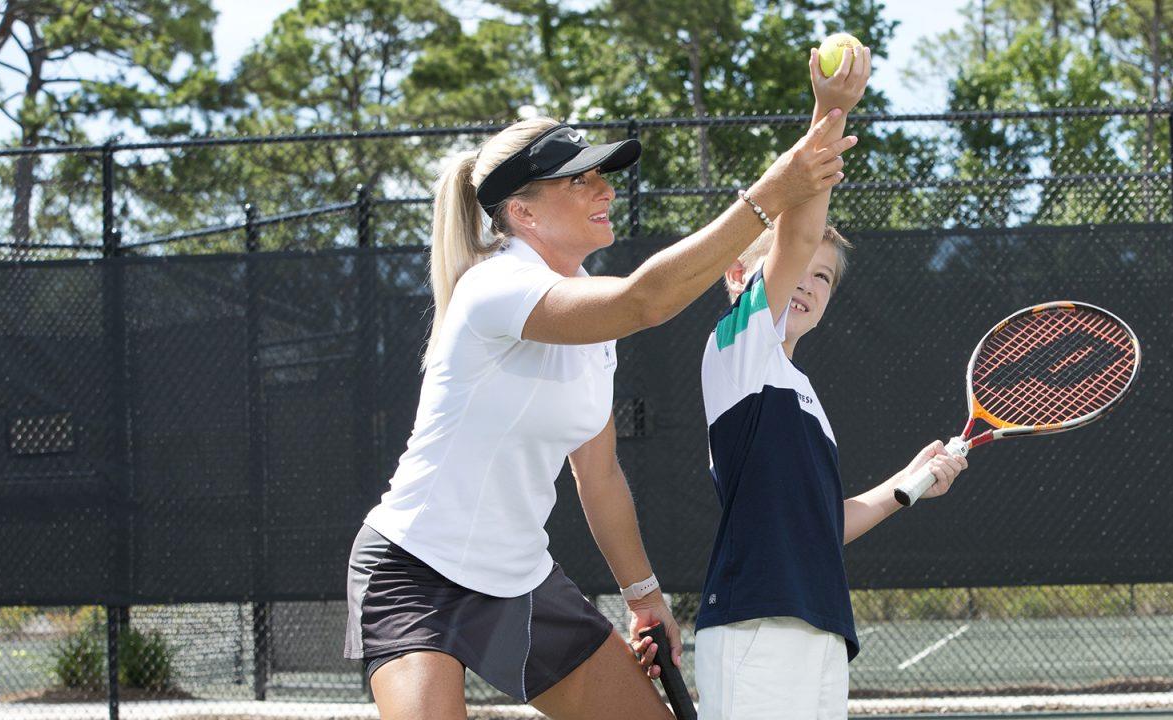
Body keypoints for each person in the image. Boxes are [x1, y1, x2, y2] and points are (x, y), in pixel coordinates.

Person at [343, 101, 856, 720]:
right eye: (578, 180)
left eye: (601, 176)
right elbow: (644, 301)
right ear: (523, 212)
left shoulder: (591, 321)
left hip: (521, 583)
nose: (605, 189)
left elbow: (600, 474)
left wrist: (643, 596)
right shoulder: (493, 286)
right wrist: (769, 196)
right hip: (413, 571)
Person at [656, 45, 968, 719]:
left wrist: (906, 485)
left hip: (820, 629)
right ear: (737, 277)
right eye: (794, 266)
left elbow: (822, 525)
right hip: (756, 627)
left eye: (824, 277)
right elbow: (797, 236)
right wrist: (830, 111)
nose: (808, 279)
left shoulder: (801, 395)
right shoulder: (736, 348)